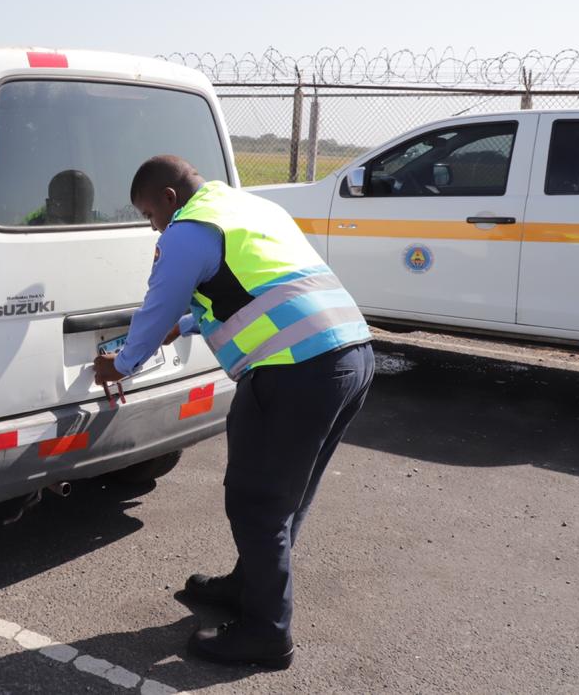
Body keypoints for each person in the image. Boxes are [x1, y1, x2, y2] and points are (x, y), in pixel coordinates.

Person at [92, 155, 374, 669]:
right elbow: (253, 293)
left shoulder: (187, 229)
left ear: (169, 199)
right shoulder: (246, 208)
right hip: (349, 354)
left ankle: (267, 634)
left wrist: (123, 363)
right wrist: (189, 323)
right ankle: (248, 588)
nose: (152, 225)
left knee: (257, 502)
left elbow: (155, 304)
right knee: (285, 495)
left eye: (149, 213)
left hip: (294, 370)